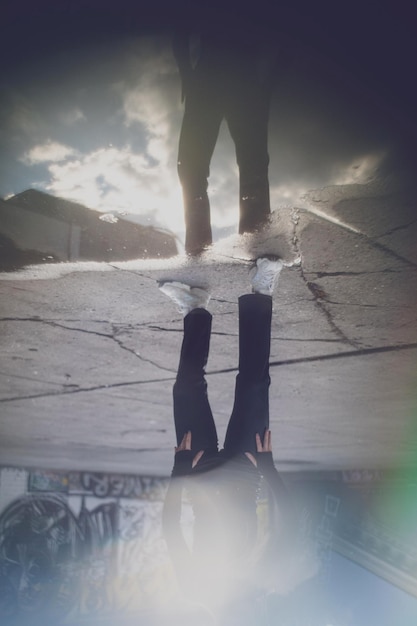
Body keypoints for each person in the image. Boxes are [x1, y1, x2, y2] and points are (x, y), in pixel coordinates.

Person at [160, 257, 300, 621]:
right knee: (254, 383)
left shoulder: (195, 589)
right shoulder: (260, 583)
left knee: (186, 389)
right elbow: (291, 521)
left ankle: (195, 311)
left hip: (198, 472)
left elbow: (172, 529)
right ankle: (261, 289)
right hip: (248, 469)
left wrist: (178, 474)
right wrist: (268, 469)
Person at [173, 19, 279, 255]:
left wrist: (186, 72)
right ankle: (252, 246)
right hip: (233, 77)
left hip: (222, 76)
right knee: (250, 166)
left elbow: (181, 23)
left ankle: (242, 248)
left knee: (194, 168)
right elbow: (181, 23)